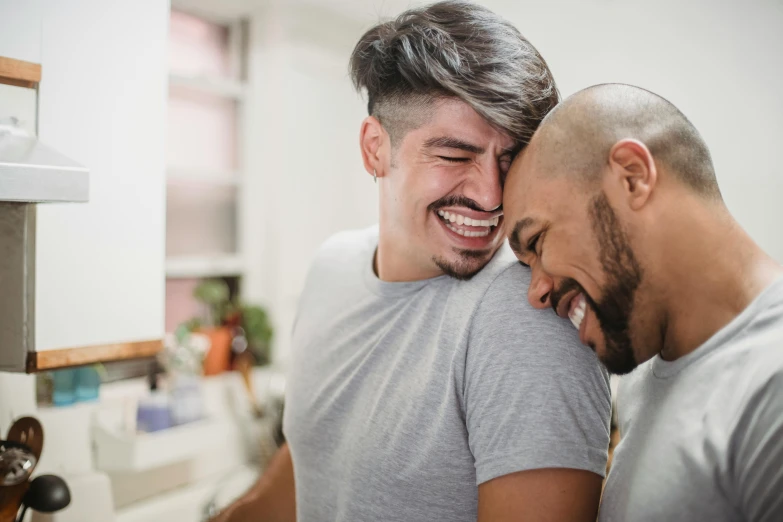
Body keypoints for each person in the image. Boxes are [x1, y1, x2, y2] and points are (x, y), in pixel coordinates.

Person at [211, 2, 612, 522]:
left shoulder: (526, 319)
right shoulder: (331, 269)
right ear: (375, 148)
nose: (492, 196)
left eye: (511, 158)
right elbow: (319, 455)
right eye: (454, 155)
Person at [503, 82, 783, 521]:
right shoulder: (639, 379)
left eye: (537, 241)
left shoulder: (772, 384)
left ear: (632, 176)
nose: (536, 291)